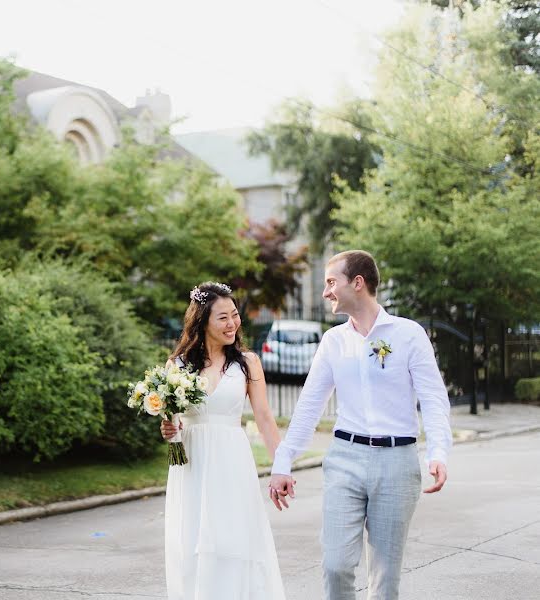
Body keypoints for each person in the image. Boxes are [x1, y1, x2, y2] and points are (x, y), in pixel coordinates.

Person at [268, 250, 452, 600]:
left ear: (358, 283)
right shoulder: (333, 341)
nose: (326, 292)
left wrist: (439, 452)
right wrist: (282, 462)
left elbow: (433, 399)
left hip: (398, 463)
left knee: (385, 580)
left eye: (331, 282)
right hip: (345, 459)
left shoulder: (408, 335)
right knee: (336, 566)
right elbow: (308, 405)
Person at [160, 281, 286, 600]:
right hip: (192, 466)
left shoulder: (248, 363)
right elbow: (171, 420)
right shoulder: (177, 366)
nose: (232, 324)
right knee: (192, 540)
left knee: (234, 539)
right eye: (223, 317)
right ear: (202, 321)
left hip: (231, 463)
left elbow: (265, 418)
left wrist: (281, 467)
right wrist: (168, 430)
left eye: (234, 315)